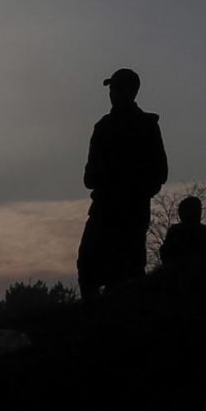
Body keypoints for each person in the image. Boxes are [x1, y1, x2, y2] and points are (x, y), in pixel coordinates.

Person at [79, 68, 169, 292]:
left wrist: (134, 189)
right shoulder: (104, 127)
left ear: (130, 91)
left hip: (129, 210)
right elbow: (89, 176)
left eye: (116, 88)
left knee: (126, 273)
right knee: (90, 266)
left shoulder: (144, 126)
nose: (112, 93)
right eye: (111, 89)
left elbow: (159, 172)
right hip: (107, 208)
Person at [159, 196, 206, 268]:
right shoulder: (175, 231)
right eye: (194, 210)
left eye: (198, 209)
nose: (198, 213)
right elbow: (166, 254)